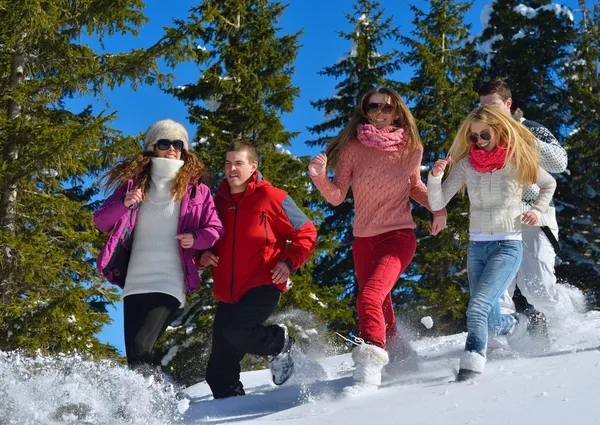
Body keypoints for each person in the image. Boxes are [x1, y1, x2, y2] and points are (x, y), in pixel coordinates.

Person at [308, 87, 447, 392]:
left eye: (385, 108)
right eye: (372, 108)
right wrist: (319, 176)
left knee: (369, 297)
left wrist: (439, 209)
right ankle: (400, 357)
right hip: (364, 241)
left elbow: (414, 186)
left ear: (397, 111)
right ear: (365, 111)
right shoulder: (353, 148)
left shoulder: (411, 147)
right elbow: (336, 196)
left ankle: (368, 368)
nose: (379, 114)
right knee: (381, 306)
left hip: (398, 235)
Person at [427, 105, 556, 381]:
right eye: (473, 137)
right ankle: (520, 324)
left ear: (498, 130)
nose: (480, 141)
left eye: (484, 134)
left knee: (477, 307)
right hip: (477, 248)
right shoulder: (466, 165)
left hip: (508, 244)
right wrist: (435, 178)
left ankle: (471, 366)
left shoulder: (516, 159)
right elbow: (437, 202)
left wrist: (536, 211)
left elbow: (549, 184)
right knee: (489, 318)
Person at [94, 118, 224, 373]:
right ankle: (153, 402)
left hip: (170, 279)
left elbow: (214, 229)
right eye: (165, 142)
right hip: (136, 280)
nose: (172, 149)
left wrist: (196, 239)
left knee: (142, 345)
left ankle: (153, 401)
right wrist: (125, 203)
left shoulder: (197, 191)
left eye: (178, 144)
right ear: (153, 147)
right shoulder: (133, 185)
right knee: (135, 355)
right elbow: (101, 221)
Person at [196, 141, 317, 399]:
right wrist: (201, 255)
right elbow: (203, 238)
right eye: (228, 163)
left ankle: (279, 341)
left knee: (237, 330)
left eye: (239, 163)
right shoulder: (215, 202)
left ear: (254, 166)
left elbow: (306, 232)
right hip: (228, 292)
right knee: (218, 372)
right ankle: (231, 407)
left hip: (263, 282)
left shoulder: (273, 197)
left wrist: (289, 262)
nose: (232, 169)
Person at [478, 79, 578, 335]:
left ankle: (569, 324)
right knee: (496, 290)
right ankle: (505, 340)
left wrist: (528, 139)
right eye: (483, 106)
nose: (487, 111)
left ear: (508, 103)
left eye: (493, 105)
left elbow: (559, 162)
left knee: (538, 289)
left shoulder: (530, 128)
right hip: (497, 221)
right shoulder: (479, 135)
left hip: (534, 216)